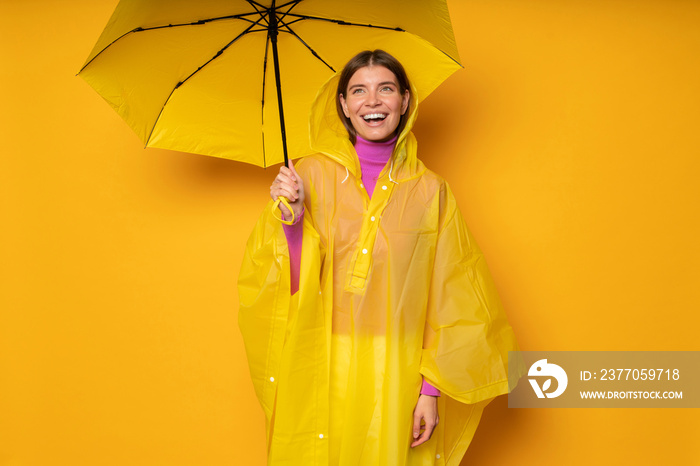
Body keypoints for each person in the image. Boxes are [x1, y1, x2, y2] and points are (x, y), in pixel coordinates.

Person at [238, 50, 521, 465]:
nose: (372, 101)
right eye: (359, 91)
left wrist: (430, 392)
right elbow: (285, 286)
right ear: (343, 105)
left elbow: (453, 294)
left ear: (405, 101)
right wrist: (293, 222)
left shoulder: (430, 192)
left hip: (398, 370)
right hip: (323, 362)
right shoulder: (308, 177)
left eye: (385, 89)